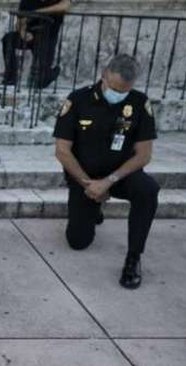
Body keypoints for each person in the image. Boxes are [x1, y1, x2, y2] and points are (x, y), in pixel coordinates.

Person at [54, 54, 158, 289]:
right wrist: (89, 184)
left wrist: (109, 181)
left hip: (120, 175)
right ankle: (93, 210)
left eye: (124, 90)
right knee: (78, 242)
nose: (118, 94)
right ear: (104, 74)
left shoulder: (139, 104)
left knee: (148, 190)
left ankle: (133, 258)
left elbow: (144, 154)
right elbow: (62, 151)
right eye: (113, 88)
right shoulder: (78, 100)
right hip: (85, 177)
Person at [1, 0, 70, 89]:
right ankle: (10, 77)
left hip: (48, 38)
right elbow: (19, 22)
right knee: (8, 39)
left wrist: (37, 12)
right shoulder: (27, 2)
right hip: (31, 35)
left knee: (41, 82)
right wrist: (23, 33)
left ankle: (50, 73)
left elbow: (65, 6)